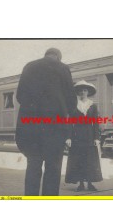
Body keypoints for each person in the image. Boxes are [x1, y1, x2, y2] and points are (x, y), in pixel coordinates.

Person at [16, 48, 77, 195]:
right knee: (53, 169)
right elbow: (71, 102)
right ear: (58, 57)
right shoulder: (63, 68)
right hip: (55, 129)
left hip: (31, 129)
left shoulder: (29, 66)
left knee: (33, 167)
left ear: (46, 55)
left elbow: (19, 96)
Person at [65, 80, 103, 191]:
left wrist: (96, 138)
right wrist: (68, 137)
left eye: (85, 90)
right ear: (78, 92)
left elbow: (95, 123)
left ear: (88, 92)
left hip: (89, 135)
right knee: (79, 159)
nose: (83, 92)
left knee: (90, 160)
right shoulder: (74, 105)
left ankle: (90, 183)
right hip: (77, 135)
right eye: (81, 90)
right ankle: (81, 183)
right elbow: (69, 122)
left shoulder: (92, 106)